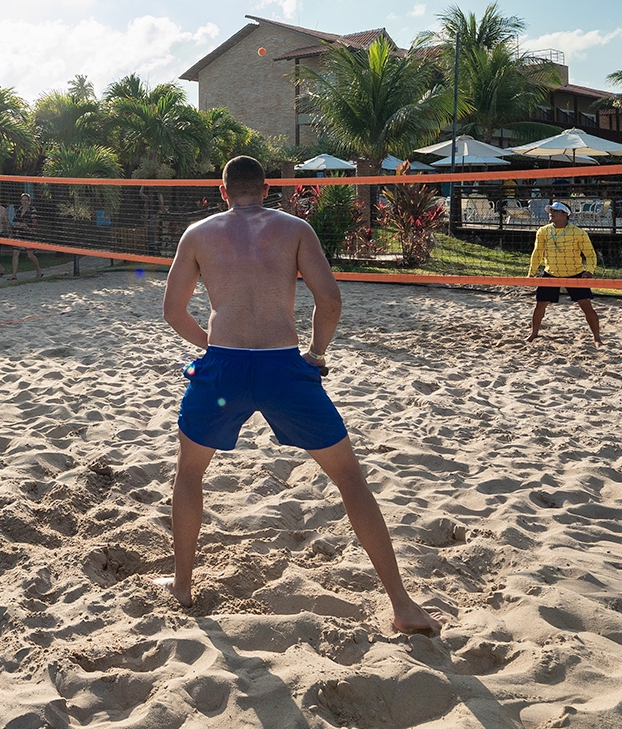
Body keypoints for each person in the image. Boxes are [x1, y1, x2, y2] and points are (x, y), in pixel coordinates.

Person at [158, 156, 440, 635]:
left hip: (224, 367)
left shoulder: (199, 233)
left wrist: (213, 348)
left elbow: (172, 311)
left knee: (189, 473)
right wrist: (316, 352)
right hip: (283, 365)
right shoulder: (293, 228)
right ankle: (401, 605)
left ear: (223, 191)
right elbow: (329, 301)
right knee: (349, 477)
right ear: (266, 189)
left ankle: (183, 588)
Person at [527, 201, 603, 343]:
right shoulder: (543, 231)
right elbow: (537, 253)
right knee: (540, 305)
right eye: (550, 210)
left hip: (575, 273)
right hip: (551, 272)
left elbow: (590, 254)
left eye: (555, 211)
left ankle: (597, 338)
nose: (551, 213)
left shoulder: (578, 233)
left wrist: (590, 271)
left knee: (586, 306)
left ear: (565, 214)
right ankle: (534, 333)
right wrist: (531, 273)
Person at [8, 191, 44, 279]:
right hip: (18, 234)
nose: (24, 201)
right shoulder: (18, 210)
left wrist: (24, 225)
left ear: (29, 201)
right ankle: (14, 275)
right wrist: (17, 226)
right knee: (15, 253)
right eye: (22, 200)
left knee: (30, 255)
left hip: (29, 235)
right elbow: (15, 221)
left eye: (26, 200)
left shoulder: (33, 210)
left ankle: (38, 269)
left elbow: (33, 223)